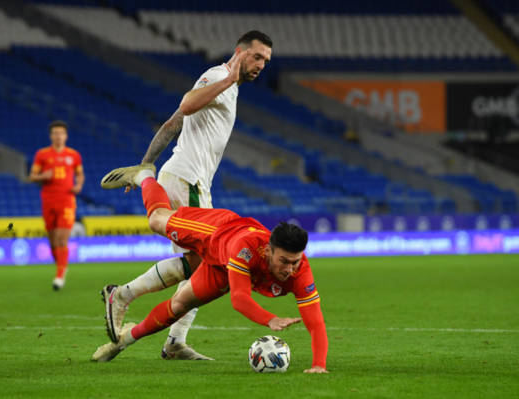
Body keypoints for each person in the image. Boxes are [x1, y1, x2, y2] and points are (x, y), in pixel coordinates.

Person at [98, 30, 273, 360]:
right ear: (240, 52)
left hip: (182, 178)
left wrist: (145, 164)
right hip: (188, 181)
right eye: (257, 56)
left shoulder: (225, 85)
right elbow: (187, 104)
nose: (261, 65)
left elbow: (172, 123)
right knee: (211, 263)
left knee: (199, 266)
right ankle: (123, 296)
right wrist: (227, 80)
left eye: (266, 60)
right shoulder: (220, 76)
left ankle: (174, 339)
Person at [92, 164, 328, 373]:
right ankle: (144, 175)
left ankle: (122, 342)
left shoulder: (300, 270)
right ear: (268, 251)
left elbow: (315, 322)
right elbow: (239, 298)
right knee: (156, 220)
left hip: (223, 266)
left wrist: (319, 365)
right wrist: (270, 320)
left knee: (179, 306)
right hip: (215, 232)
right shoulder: (245, 249)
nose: (290, 268)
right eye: (284, 261)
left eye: (295, 261)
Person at [29, 120, 84, 290]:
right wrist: (43, 175)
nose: (58, 136)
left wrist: (78, 185)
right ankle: (61, 266)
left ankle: (60, 274)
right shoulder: (42, 154)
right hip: (48, 200)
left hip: (67, 201)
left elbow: (80, 175)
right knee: (53, 241)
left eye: (61, 133)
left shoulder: (73, 155)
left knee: (61, 238)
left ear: (66, 136)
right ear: (51, 136)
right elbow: (32, 176)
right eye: (55, 133)